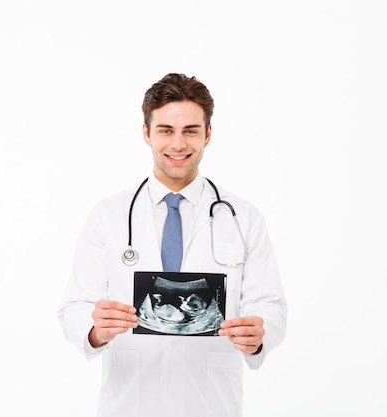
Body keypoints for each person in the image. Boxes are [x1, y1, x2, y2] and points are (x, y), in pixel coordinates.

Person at [57, 73, 287, 417]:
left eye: (190, 130)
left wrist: (259, 333)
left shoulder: (243, 217)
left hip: (211, 404)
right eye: (166, 130)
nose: (178, 144)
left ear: (208, 134)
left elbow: (271, 307)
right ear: (146, 133)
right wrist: (94, 328)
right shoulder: (108, 216)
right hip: (129, 404)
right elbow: (73, 307)